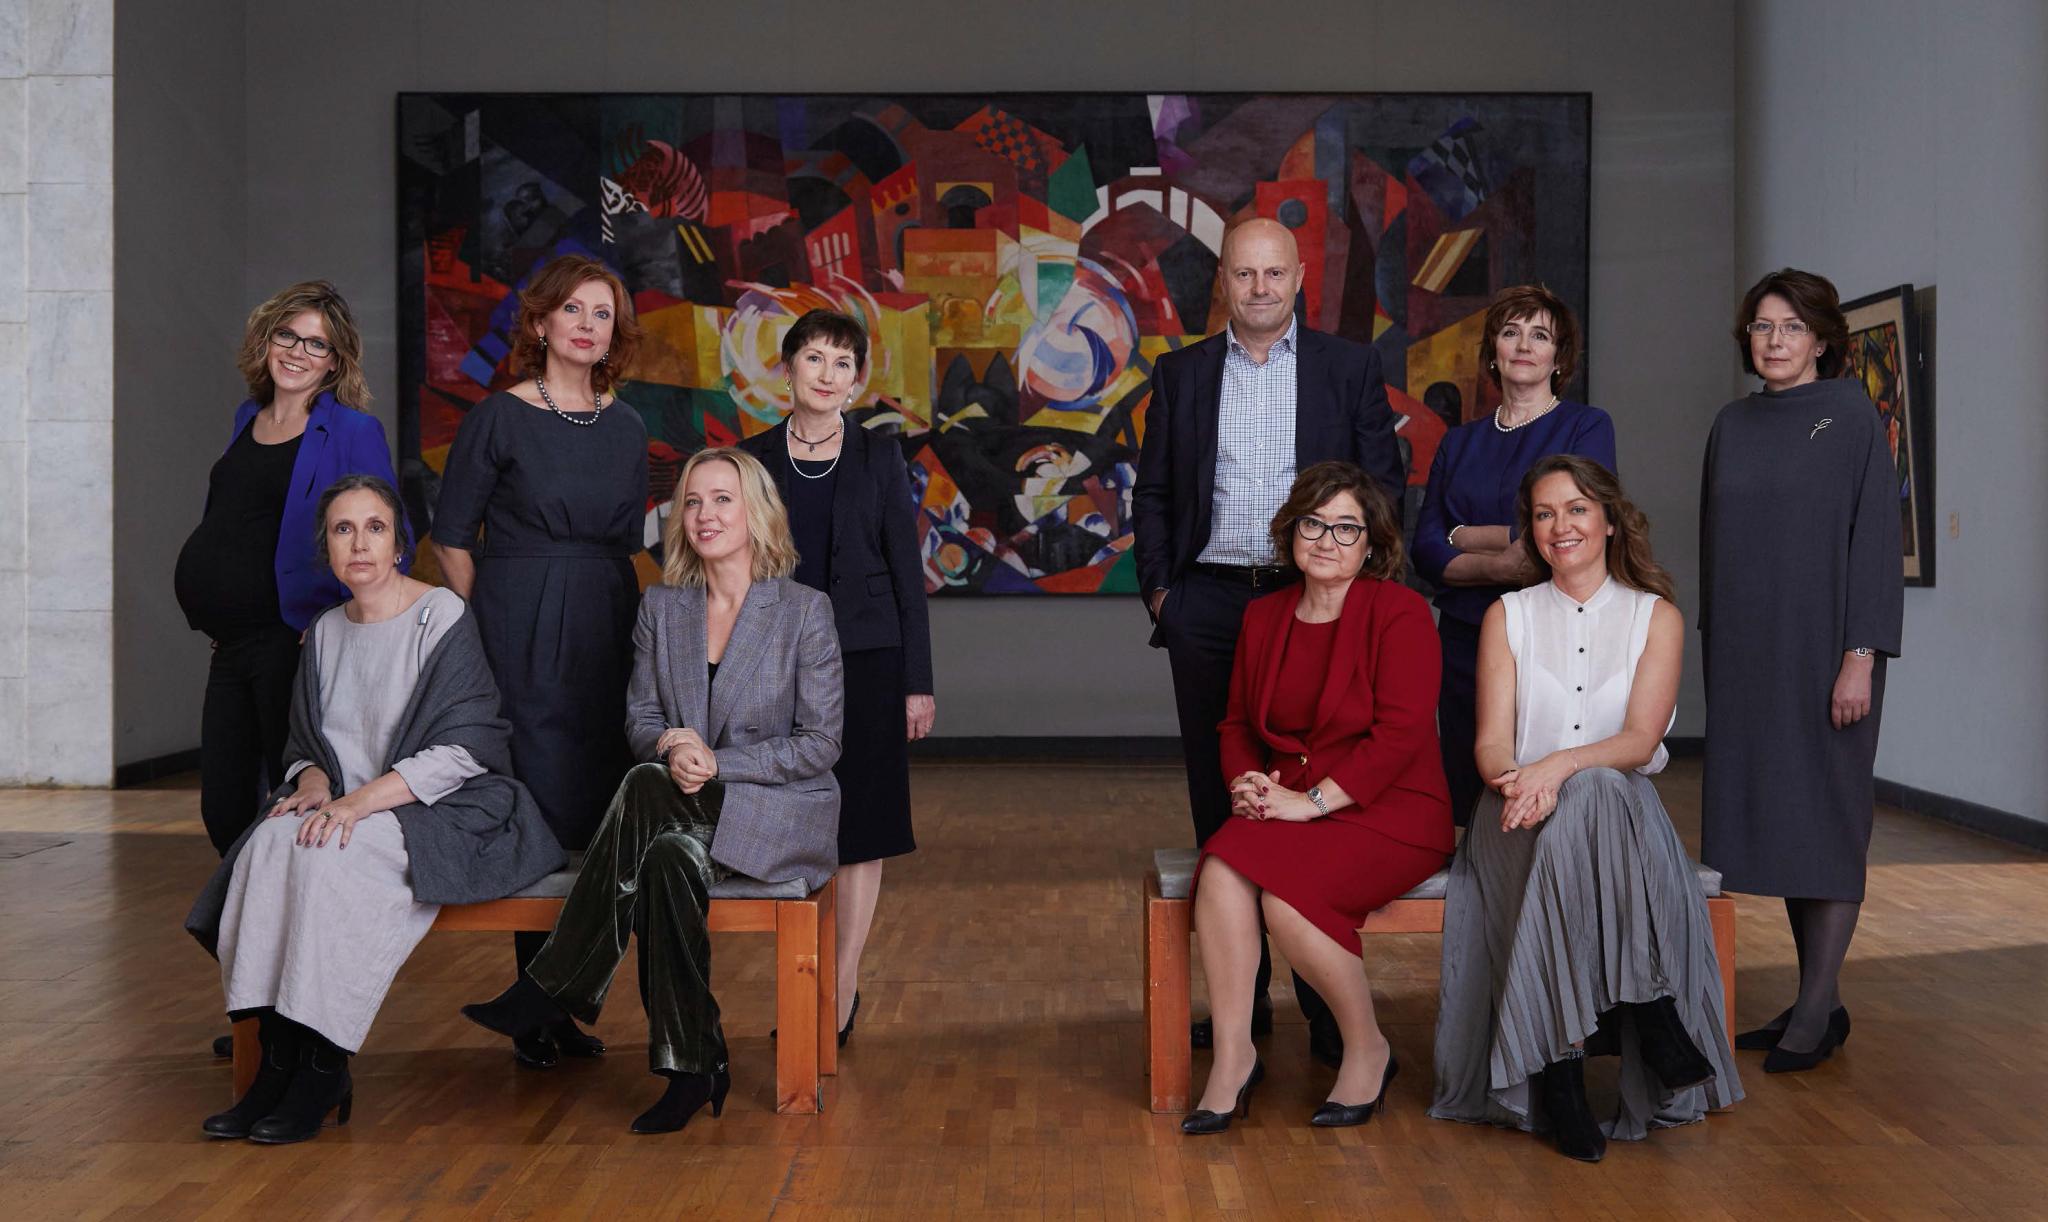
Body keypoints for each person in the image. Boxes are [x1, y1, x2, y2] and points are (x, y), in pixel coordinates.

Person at [461, 448, 844, 1134]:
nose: (704, 514)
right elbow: (640, 718)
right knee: (666, 856)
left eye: (722, 499)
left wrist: (716, 763)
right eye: (692, 501)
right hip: (678, 810)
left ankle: (557, 984)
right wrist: (672, 745)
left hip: (778, 811)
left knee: (644, 788)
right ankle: (692, 1067)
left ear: (757, 513)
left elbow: (820, 744)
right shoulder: (662, 608)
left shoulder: (803, 612)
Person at [185, 475, 564, 1144]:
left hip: (434, 804)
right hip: (345, 805)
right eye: (343, 530)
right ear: (327, 548)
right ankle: (275, 1063)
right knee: (268, 845)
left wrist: (359, 803)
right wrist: (310, 782)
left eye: (375, 528)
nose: (359, 544)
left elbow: (466, 746)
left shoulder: (439, 615)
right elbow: (306, 745)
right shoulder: (325, 632)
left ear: (398, 545)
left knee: (329, 857)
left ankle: (323, 1066)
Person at [1132, 217, 1406, 1066]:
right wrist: (1165, 598)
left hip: (1311, 597)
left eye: (1273, 273)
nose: (1259, 288)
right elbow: (1153, 494)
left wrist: (1355, 593)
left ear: (1299, 279)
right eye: (1243, 274)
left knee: (1315, 788)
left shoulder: (1348, 368)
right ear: (1223, 281)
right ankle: (1240, 1006)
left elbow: (1383, 488)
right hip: (1210, 604)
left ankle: (1323, 1005)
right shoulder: (1180, 374)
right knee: (1226, 797)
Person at [1429, 455, 1742, 1162]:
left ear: (1609, 520)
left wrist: (1560, 766)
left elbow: (1638, 742)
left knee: (1595, 790)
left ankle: (1561, 1072)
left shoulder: (1655, 617)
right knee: (1583, 800)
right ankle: (1649, 1005)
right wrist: (1522, 781)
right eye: (1543, 514)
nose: (1560, 526)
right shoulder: (1507, 615)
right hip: (1514, 816)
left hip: (1621, 817)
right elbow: (1490, 746)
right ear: (1531, 532)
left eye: (1575, 509)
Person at [1179, 462, 1451, 1134]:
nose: (1328, 540)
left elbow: (1401, 734)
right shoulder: (1264, 615)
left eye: (1346, 528)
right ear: (1290, 531)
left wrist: (1315, 802)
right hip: (1289, 802)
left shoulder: (1401, 612)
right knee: (1221, 870)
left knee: (1286, 899)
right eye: (1314, 524)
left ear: (1372, 543)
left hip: (1392, 808)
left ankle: (1367, 1047)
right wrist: (1247, 782)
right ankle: (1235, 1056)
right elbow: (1237, 724)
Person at [174, 281, 405, 1058]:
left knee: (288, 815)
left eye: (317, 344)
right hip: (231, 645)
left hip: (292, 645)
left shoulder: (350, 429)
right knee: (224, 812)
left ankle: (291, 1017)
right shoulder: (247, 419)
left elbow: (382, 526)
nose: (299, 352)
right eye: (288, 336)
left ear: (335, 361)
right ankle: (267, 1002)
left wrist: (336, 625)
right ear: (266, 338)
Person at [431, 253, 649, 1067]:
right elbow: (452, 537)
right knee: (541, 808)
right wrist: (489, 618)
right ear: (540, 322)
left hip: (608, 615)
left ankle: (558, 998)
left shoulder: (628, 426)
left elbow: (629, 540)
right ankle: (540, 1006)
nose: (588, 325)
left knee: (601, 807)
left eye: (603, 314)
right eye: (574, 310)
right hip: (516, 621)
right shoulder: (499, 417)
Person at [1700, 268, 1902, 1073]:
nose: (1775, 340)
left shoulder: (1852, 416)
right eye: (1762, 327)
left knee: (1829, 816)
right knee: (1786, 820)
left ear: (1821, 339)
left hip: (1827, 654)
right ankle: (1819, 999)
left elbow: (1875, 544)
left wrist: (1861, 657)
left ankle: (1816, 1010)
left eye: (1790, 327)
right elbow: (1715, 546)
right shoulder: (1732, 423)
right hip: (1747, 657)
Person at [738, 309, 933, 1042]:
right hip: (776, 661)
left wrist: (918, 681)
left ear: (856, 381)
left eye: (842, 362)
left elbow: (907, 576)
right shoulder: (750, 459)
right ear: (787, 369)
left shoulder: (880, 455)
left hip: (869, 661)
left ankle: (841, 985)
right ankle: (801, 976)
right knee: (788, 821)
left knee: (863, 823)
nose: (827, 373)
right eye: (814, 358)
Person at [1412, 285, 1615, 826]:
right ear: (1493, 352)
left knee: (1542, 791)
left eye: (1540, 335)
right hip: (1464, 636)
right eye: (1510, 333)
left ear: (1559, 356)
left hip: (1552, 632)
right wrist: (1501, 560)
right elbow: (1425, 548)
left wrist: (1462, 535)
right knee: (1467, 788)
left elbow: (1567, 533)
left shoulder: (1586, 426)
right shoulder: (1458, 442)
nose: (1524, 345)